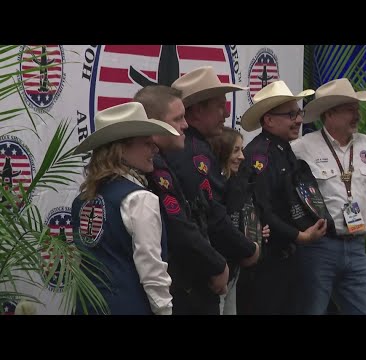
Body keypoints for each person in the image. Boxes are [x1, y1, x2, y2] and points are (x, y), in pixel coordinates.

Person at [292, 78, 366, 315]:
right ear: (329, 114)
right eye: (350, 109)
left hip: (357, 247)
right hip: (319, 249)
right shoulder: (302, 147)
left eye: (356, 108)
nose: (356, 115)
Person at [71, 101, 179, 315]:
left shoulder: (82, 199)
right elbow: (152, 271)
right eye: (147, 143)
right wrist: (165, 311)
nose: (155, 149)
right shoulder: (139, 198)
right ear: (121, 149)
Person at [133, 85, 229, 315]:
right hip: (180, 286)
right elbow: (179, 227)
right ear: (154, 125)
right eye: (177, 119)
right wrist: (217, 265)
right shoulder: (155, 169)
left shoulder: (165, 162)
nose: (185, 125)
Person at [239, 80, 330, 315]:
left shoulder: (284, 149)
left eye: (298, 113)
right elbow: (262, 210)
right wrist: (298, 235)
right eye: (291, 115)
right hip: (267, 263)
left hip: (287, 258)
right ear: (268, 120)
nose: (299, 120)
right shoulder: (261, 156)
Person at [165, 66, 260, 283]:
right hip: (195, 273)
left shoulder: (189, 147)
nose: (227, 113)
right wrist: (248, 249)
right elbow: (210, 216)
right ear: (197, 110)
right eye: (220, 106)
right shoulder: (195, 152)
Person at [209, 126, 270, 315]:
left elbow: (241, 220)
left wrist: (256, 230)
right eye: (236, 150)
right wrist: (250, 247)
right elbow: (221, 227)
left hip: (234, 268)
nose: (242, 156)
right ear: (222, 151)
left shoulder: (238, 183)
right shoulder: (214, 188)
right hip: (217, 271)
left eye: (242, 149)